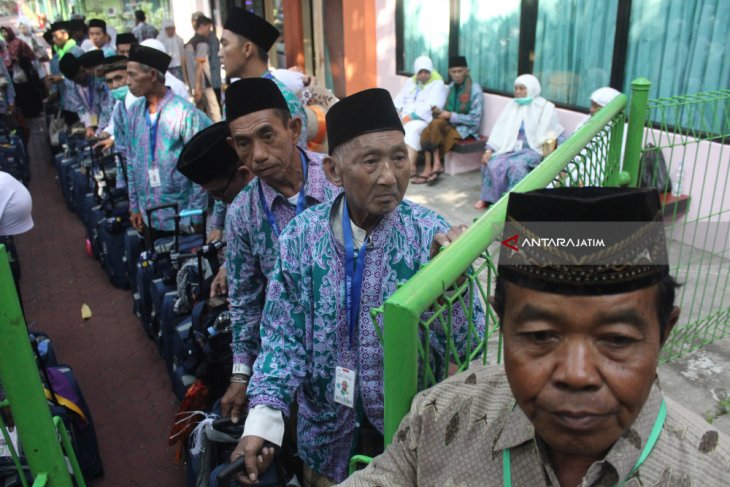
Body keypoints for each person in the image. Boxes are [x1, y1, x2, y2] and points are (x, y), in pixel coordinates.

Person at [342, 186, 730, 486]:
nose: (577, 375)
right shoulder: (440, 417)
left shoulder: (714, 471)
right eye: (541, 335)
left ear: (664, 333)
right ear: (503, 322)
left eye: (617, 340)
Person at [236, 88, 484, 484]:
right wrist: (262, 420)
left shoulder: (431, 235)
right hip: (326, 439)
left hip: (409, 440)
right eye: (371, 161)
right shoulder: (301, 238)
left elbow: (469, 344)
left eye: (399, 158)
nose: (389, 176)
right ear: (334, 171)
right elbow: (282, 339)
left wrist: (454, 285)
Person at [216, 77, 340, 426]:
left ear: (294, 128)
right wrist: (241, 375)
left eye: (267, 135)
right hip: (287, 361)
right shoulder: (242, 212)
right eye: (243, 144)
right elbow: (244, 300)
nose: (256, 155)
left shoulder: (338, 180)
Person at [125, 44, 210, 232]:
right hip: (147, 217)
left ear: (153, 75)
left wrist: (196, 217)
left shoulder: (184, 114)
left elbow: (200, 170)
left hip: (182, 220)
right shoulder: (134, 113)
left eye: (132, 75)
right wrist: (134, 206)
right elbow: (131, 162)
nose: (127, 81)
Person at [475, 74, 564, 210]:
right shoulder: (512, 105)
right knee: (493, 162)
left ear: (531, 89)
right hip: (510, 147)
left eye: (522, 88)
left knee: (516, 166)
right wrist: (489, 150)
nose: (517, 92)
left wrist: (547, 149)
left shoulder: (545, 107)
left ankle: (513, 204)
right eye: (516, 88)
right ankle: (489, 199)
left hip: (533, 149)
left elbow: (552, 133)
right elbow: (499, 130)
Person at [417, 55, 483, 185]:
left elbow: (475, 120)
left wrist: (451, 116)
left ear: (466, 71)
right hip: (450, 124)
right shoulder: (451, 87)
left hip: (466, 129)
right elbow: (447, 110)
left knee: (434, 126)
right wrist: (439, 112)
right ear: (450, 72)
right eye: (454, 72)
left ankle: (432, 166)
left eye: (460, 71)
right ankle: (432, 166)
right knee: (427, 130)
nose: (457, 75)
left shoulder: (475, 89)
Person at [392, 55, 447, 178]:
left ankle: (411, 167)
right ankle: (399, 165)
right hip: (405, 117)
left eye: (426, 72)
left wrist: (410, 117)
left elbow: (431, 107)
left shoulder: (437, 83)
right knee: (395, 130)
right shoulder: (411, 81)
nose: (423, 75)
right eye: (420, 72)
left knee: (411, 130)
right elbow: (399, 99)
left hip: (423, 119)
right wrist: (396, 113)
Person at [59, 50, 108, 139]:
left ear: (82, 69)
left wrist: (100, 131)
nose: (78, 82)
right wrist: (89, 126)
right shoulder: (70, 83)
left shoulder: (97, 76)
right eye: (74, 81)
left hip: (108, 116)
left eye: (78, 78)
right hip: (94, 116)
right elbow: (81, 107)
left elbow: (105, 108)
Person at [184, 15, 221, 122]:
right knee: (215, 111)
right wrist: (198, 87)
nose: (209, 31)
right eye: (208, 28)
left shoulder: (191, 42)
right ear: (202, 26)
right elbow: (200, 65)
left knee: (199, 111)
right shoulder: (202, 43)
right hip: (203, 83)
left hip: (195, 83)